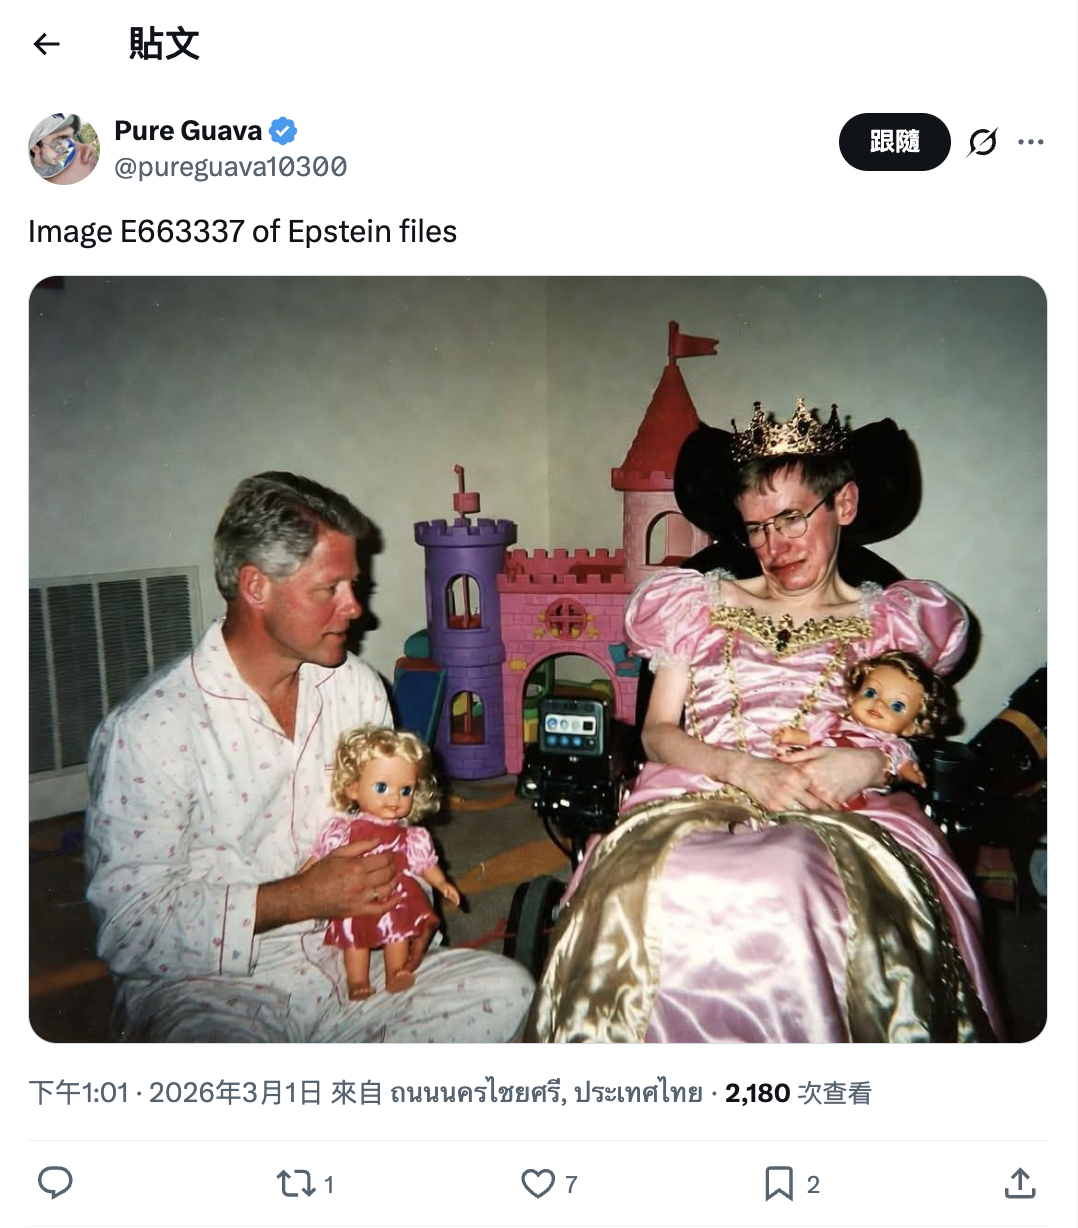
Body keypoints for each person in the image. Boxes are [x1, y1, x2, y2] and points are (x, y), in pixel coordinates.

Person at [527, 400, 1001, 1043]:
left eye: (792, 519)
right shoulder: (697, 601)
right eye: (756, 528)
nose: (775, 547)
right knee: (656, 882)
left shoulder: (891, 620)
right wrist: (743, 770)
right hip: (701, 785)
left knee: (790, 875)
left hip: (836, 804)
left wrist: (868, 760)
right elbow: (658, 732)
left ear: (844, 503)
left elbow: (908, 734)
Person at [85, 472, 533, 1042]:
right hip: (216, 985)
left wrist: (413, 903)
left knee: (507, 990)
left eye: (355, 585)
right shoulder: (151, 729)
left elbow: (390, 829)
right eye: (330, 588)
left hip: (356, 960)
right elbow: (129, 930)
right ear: (256, 587)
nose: (356, 609)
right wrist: (300, 898)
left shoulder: (357, 688)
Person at [304, 726, 460, 999]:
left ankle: (396, 973)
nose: (395, 798)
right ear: (353, 788)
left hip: (396, 894)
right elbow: (320, 858)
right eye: (382, 787)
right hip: (356, 892)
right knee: (355, 935)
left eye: (406, 790)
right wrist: (303, 879)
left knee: (398, 932)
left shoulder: (411, 836)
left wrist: (442, 883)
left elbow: (424, 864)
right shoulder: (343, 831)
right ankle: (357, 981)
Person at [772, 648, 957, 804]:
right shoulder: (834, 722)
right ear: (853, 697)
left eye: (896, 706)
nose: (879, 703)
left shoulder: (889, 745)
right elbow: (812, 737)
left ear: (910, 727)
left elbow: (898, 762)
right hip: (806, 778)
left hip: (848, 790)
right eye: (871, 693)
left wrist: (909, 772)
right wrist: (792, 736)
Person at [29, 113, 98, 184]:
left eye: (66, 142)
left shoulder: (58, 168)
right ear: (35, 149)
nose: (89, 147)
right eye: (57, 142)